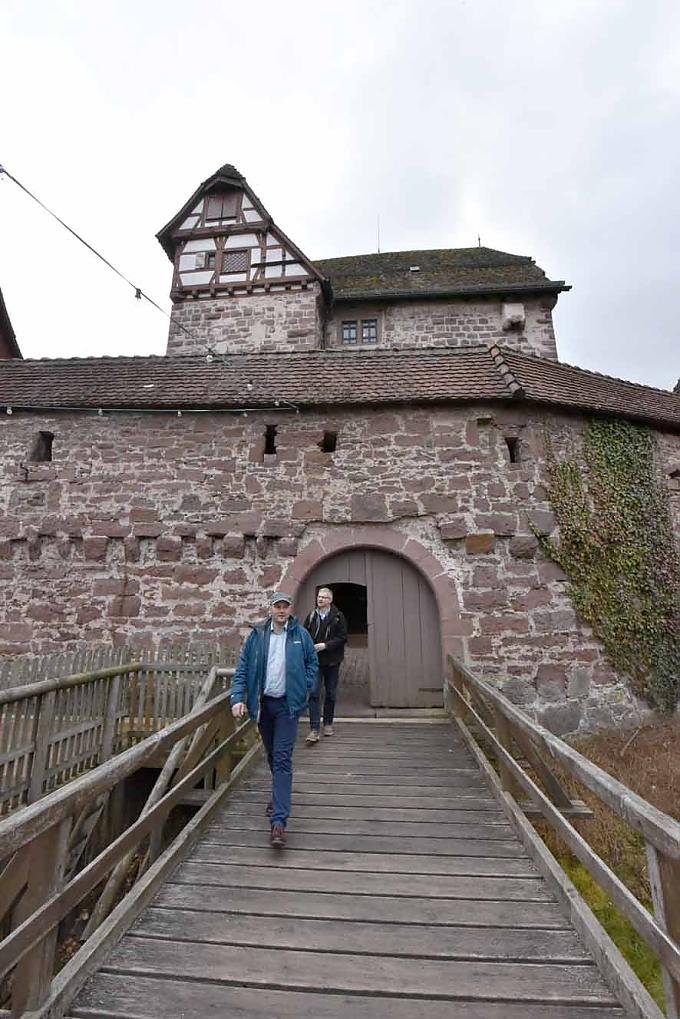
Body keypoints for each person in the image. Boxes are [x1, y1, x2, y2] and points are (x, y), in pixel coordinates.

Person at [230, 592, 317, 848]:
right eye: (277, 606)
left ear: (290, 610)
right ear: (271, 609)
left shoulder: (300, 635)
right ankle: (278, 797)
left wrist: (306, 687)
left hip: (288, 706)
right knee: (271, 755)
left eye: (285, 607)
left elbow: (312, 663)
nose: (281, 611)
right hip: (264, 705)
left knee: (282, 758)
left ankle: (278, 822)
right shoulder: (257, 636)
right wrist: (237, 697)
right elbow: (243, 668)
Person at [303, 587, 348, 744]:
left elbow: (342, 638)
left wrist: (326, 645)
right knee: (314, 692)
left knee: (330, 693)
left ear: (330, 600)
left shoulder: (338, 617)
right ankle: (314, 728)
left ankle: (328, 723)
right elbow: (305, 634)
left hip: (332, 661)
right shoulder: (311, 616)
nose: (320, 599)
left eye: (323, 597)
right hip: (315, 661)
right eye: (319, 597)